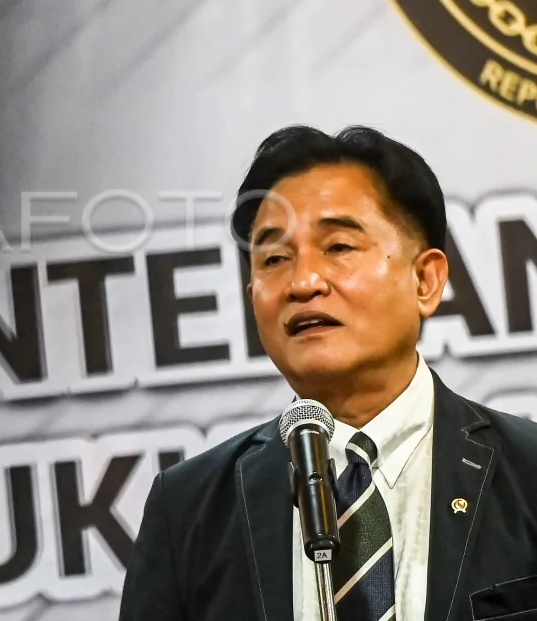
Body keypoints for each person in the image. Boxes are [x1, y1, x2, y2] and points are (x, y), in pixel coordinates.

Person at [118, 125, 537, 621]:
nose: (303, 282)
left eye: (338, 247)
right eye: (274, 258)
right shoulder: (188, 508)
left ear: (425, 280)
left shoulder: (527, 471)